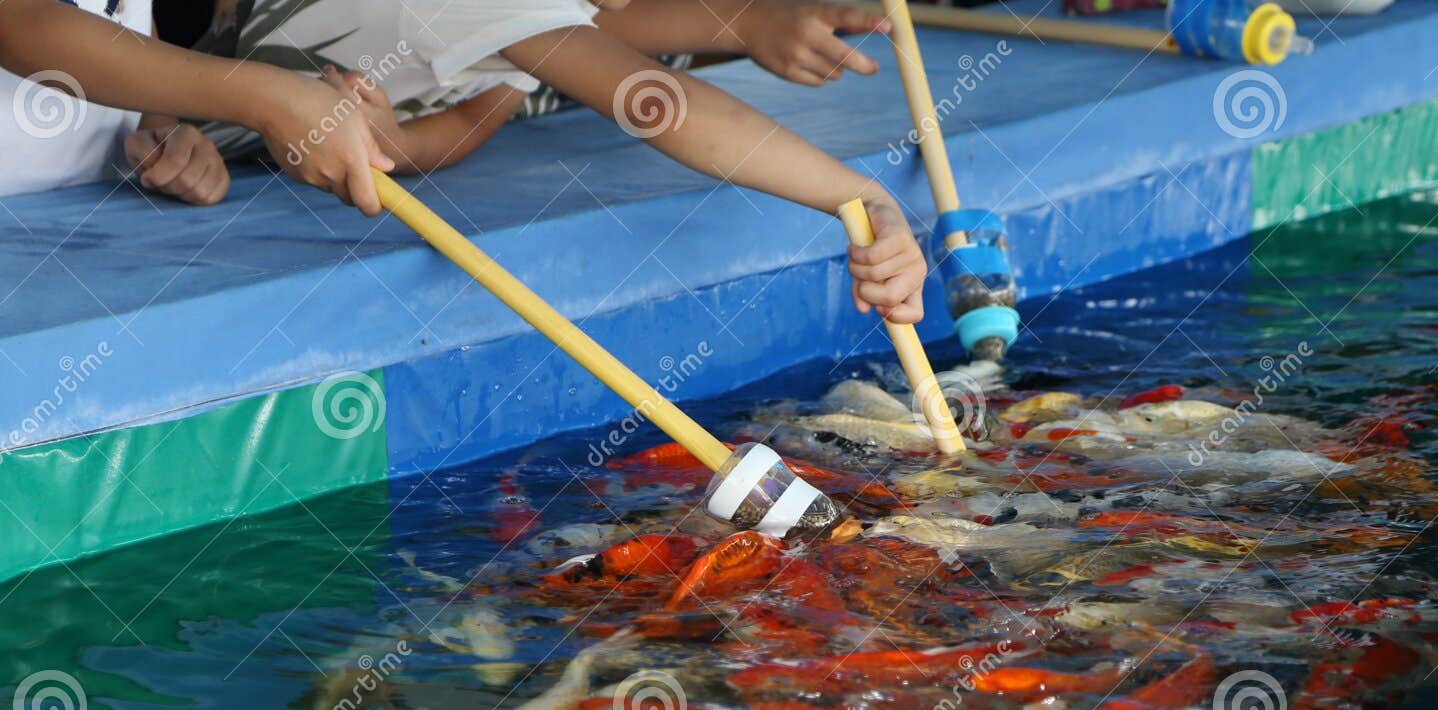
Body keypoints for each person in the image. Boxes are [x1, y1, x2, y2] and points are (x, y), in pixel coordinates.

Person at [196, 0, 925, 322]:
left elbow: (474, 117)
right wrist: (857, 196)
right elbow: (662, 103)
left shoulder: (527, 22)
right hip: (158, 139)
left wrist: (396, 148)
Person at [0, 0, 394, 210]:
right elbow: (19, 20)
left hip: (91, 215)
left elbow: (120, 13)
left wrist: (160, 126)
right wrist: (270, 99)